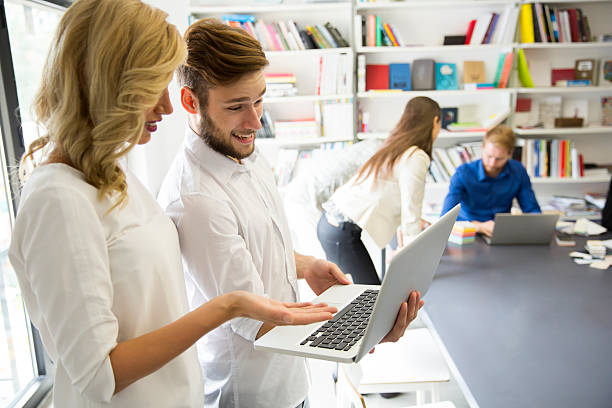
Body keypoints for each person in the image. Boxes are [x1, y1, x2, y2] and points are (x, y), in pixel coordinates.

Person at [7, 2, 336, 407]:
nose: (165, 107)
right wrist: (227, 307)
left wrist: (299, 266)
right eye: (151, 89)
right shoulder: (58, 200)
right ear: (106, 85)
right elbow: (97, 376)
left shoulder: (110, 176)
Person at [158, 18, 423, 408]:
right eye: (236, 106)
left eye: (259, 99)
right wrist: (362, 333)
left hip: (288, 380)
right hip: (250, 393)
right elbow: (256, 321)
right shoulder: (195, 199)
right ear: (189, 102)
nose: (254, 121)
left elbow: (253, 242)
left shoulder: (241, 148)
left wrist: (304, 265)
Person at [317, 96, 442, 285]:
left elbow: (396, 202)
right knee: (371, 299)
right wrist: (414, 264)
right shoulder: (416, 156)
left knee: (367, 297)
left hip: (333, 225)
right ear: (435, 121)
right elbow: (411, 213)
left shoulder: (396, 147)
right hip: (340, 230)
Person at [440, 124, 541, 237]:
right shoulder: (463, 173)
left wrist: (535, 225)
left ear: (509, 155)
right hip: (468, 233)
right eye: (489, 156)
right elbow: (444, 220)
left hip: (502, 234)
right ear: (482, 149)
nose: (492, 163)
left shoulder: (518, 171)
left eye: (499, 159)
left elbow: (532, 210)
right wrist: (479, 227)